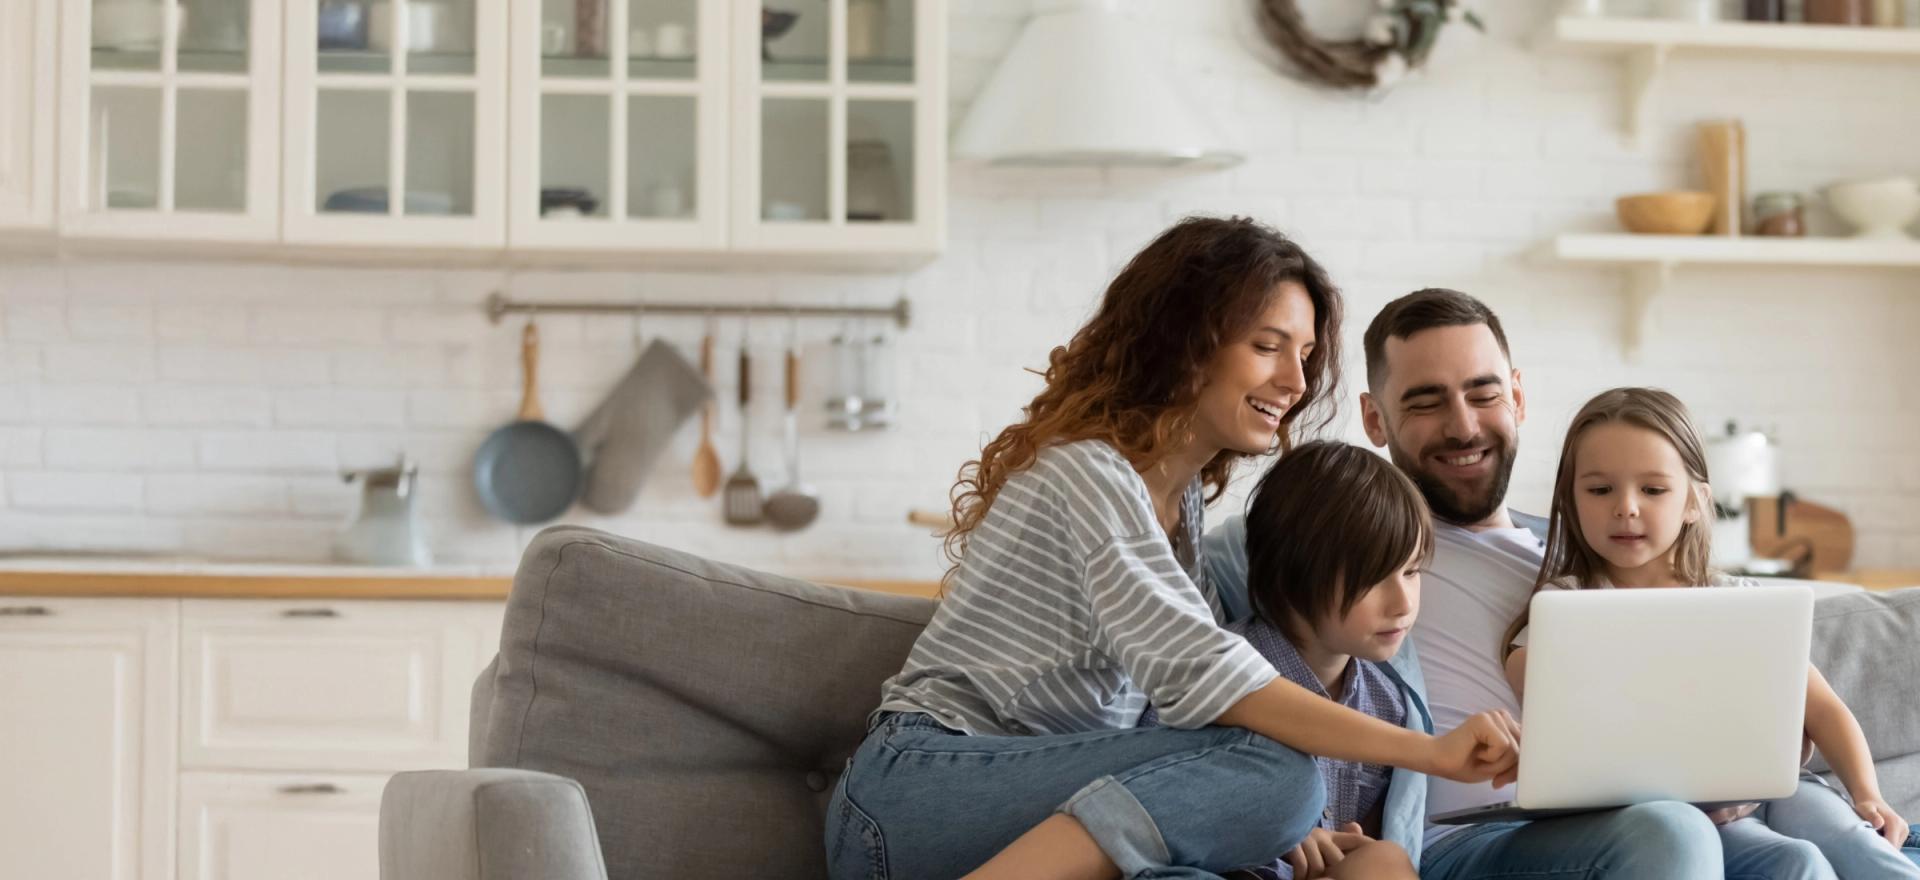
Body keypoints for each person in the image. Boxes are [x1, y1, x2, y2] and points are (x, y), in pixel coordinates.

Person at [823, 220, 1521, 880]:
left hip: (1034, 807)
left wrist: (1277, 824)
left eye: (1305, 356)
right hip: (916, 792)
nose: (1297, 383)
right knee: (1280, 775)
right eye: (1268, 346)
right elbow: (1209, 678)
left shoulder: (1181, 509)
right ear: (1187, 342)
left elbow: (1191, 711)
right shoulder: (1087, 474)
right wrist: (1430, 752)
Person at [1209, 289, 1721, 879]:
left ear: (1518, 397)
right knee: (1673, 832)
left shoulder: (1594, 556)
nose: (1463, 426)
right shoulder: (1330, 538)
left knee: (1787, 855)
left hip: (1593, 820)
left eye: (1484, 393)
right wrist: (1270, 820)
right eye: (1426, 403)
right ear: (1375, 418)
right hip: (1450, 842)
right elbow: (1194, 673)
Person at [1500, 387, 1918, 880]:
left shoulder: (1737, 599)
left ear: (1694, 502)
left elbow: (1822, 707)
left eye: (1653, 490)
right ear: (1570, 502)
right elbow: (1528, 672)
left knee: (1854, 841)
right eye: (1599, 490)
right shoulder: (1565, 604)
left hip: (1777, 787)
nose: (1626, 507)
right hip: (1679, 814)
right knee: (1796, 861)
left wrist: (1867, 794)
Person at [1143, 440, 1438, 880]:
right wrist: (1274, 826)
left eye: (1412, 571)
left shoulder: (1388, 703)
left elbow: (1369, 842)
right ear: (1294, 574)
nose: (1403, 603)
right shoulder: (1219, 670)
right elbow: (1151, 788)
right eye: (1374, 578)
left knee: (1384, 861)